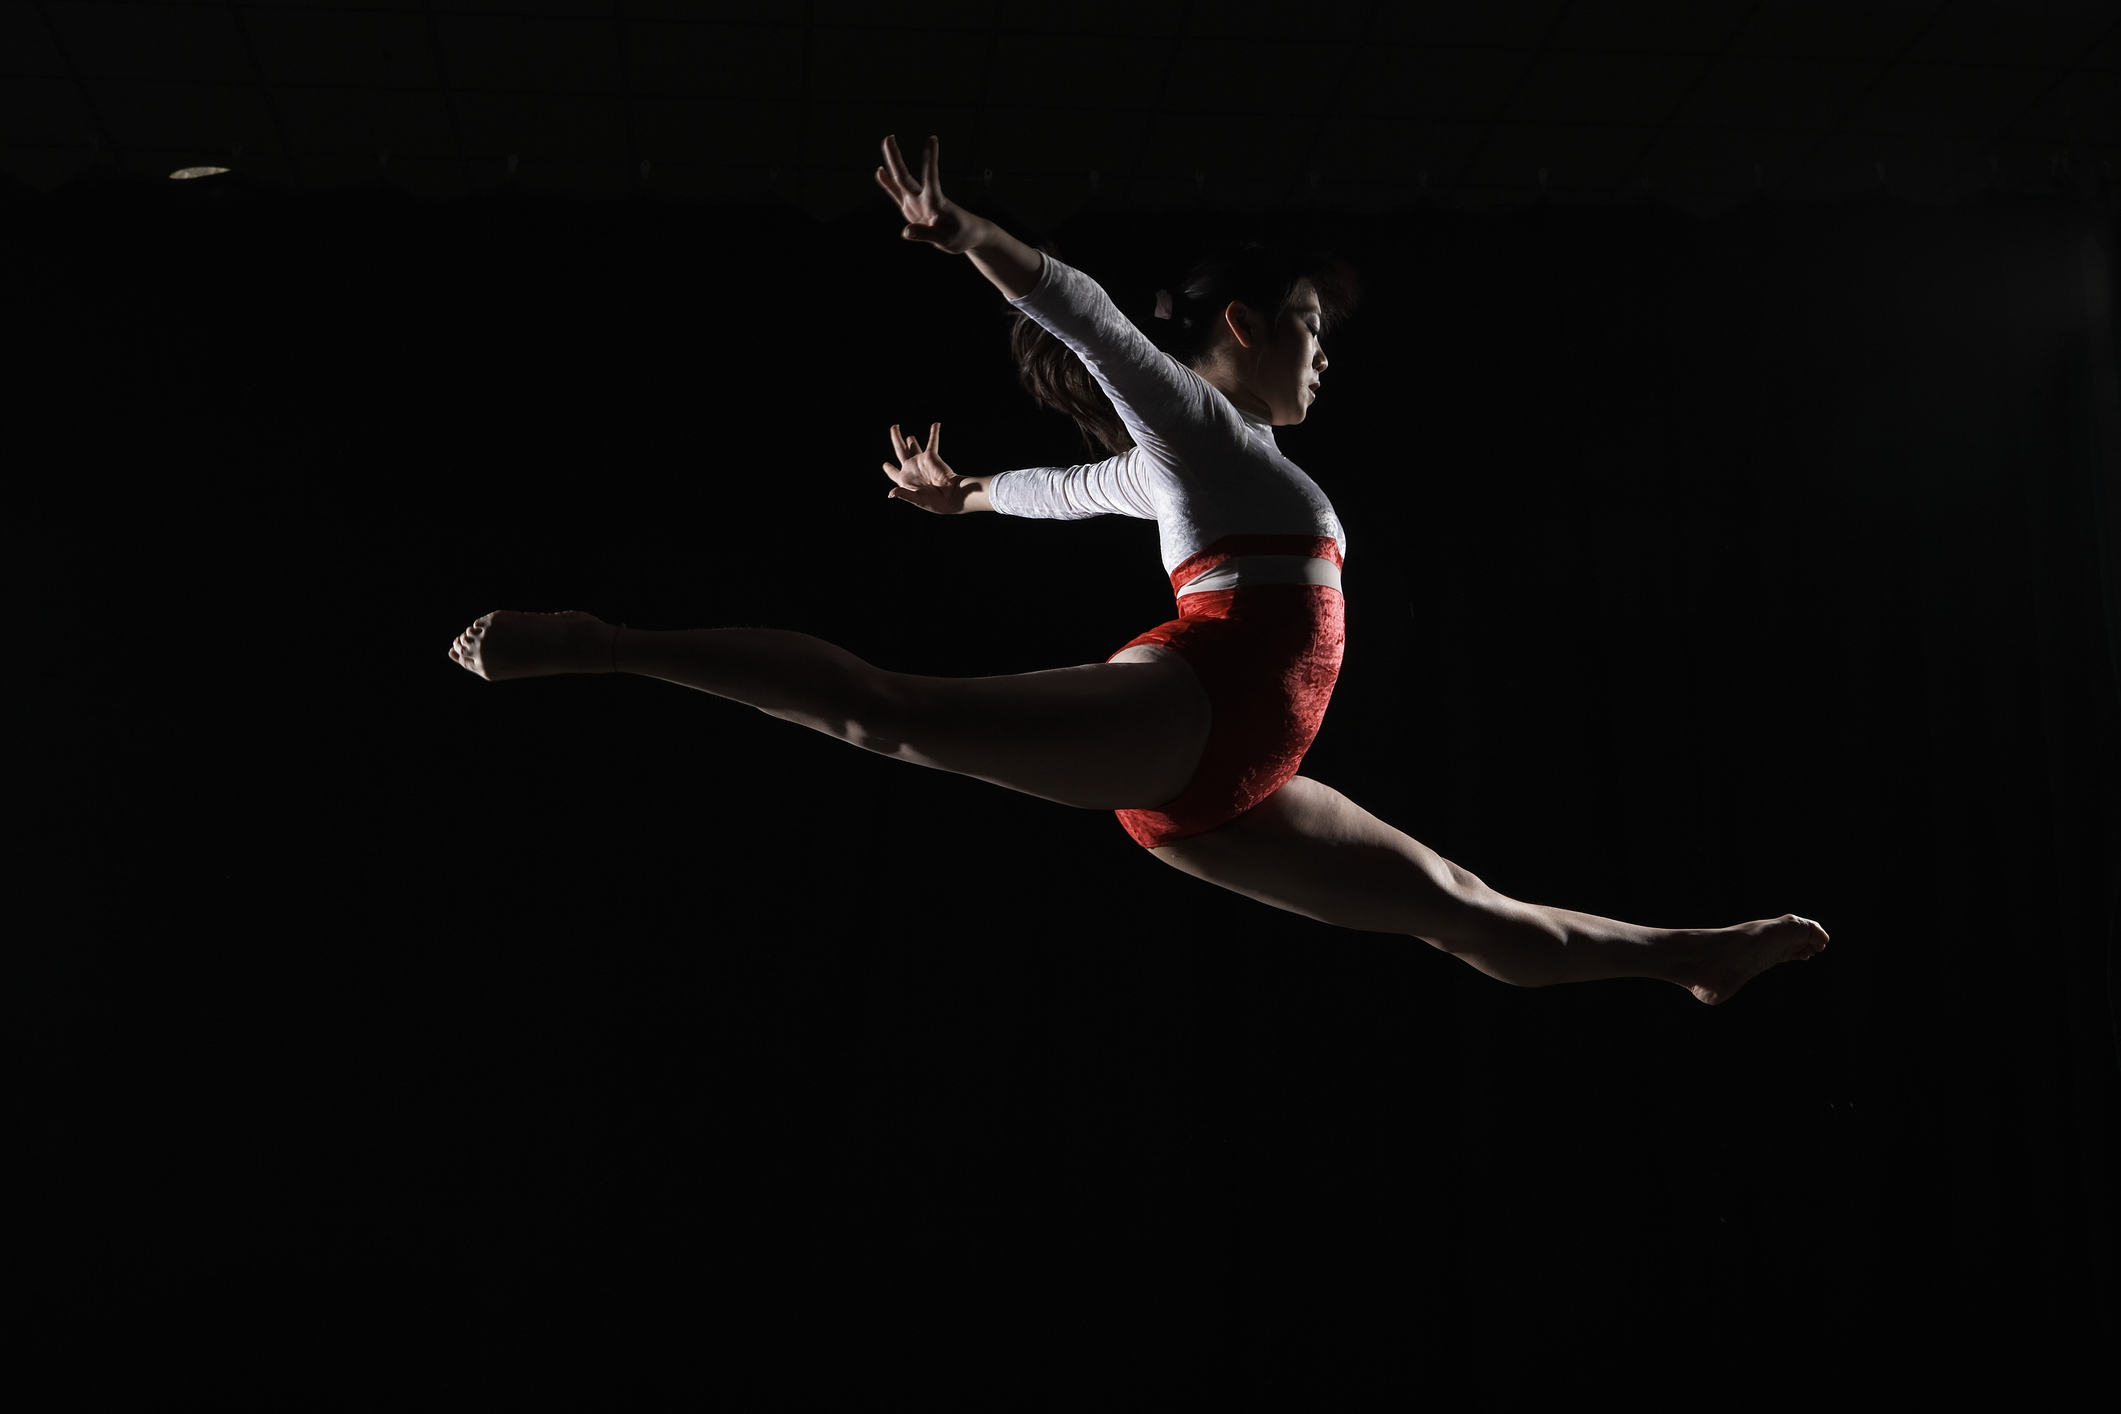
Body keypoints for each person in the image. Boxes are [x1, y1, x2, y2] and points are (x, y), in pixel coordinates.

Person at [448, 134, 1827, 1005]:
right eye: (1302, 325)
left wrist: (966, 493)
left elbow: (1075, 487)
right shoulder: (1200, 421)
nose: (1321, 352)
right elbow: (1094, 323)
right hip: (1190, 705)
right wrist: (968, 240)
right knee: (891, 711)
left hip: (1236, 774)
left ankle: (1683, 955)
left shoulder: (1186, 468)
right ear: (1236, 327)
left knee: (1463, 915)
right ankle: (604, 641)